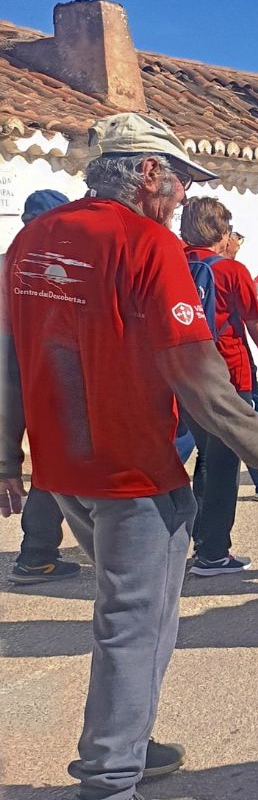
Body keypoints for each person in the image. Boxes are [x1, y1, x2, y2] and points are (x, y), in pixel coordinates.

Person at [1, 112, 258, 800]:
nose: (183, 195)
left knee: (136, 614)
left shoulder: (31, 242)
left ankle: (129, 741)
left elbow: (8, 355)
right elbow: (192, 365)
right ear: (149, 172)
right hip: (132, 467)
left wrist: (7, 457)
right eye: (182, 179)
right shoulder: (145, 242)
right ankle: (105, 797)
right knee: (134, 625)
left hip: (64, 466)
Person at [180, 197, 258, 576]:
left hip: (183, 375)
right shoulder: (231, 270)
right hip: (228, 376)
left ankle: (199, 541)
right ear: (222, 231)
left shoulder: (173, 264)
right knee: (222, 464)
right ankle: (213, 553)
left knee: (204, 457)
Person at [8, 189, 84, 583]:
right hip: (44, 377)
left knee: (50, 466)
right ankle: (36, 556)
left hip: (27, 376)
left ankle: (38, 555)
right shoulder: (53, 268)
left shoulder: (11, 262)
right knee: (56, 467)